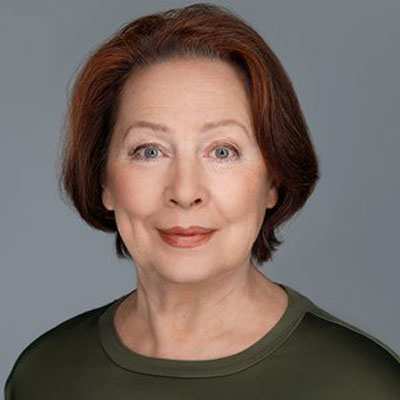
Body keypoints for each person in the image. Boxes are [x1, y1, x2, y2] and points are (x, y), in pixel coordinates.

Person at [5, 3, 399, 399]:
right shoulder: (43, 377)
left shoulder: (364, 385)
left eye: (222, 151)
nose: (184, 191)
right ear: (104, 179)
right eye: (149, 151)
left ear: (272, 180)